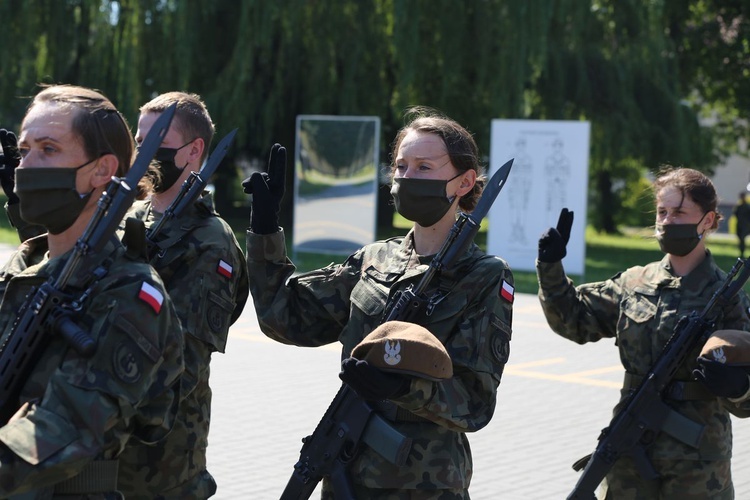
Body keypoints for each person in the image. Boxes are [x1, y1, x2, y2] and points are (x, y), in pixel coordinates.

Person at [244, 107, 514, 499]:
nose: (407, 177)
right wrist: (265, 230)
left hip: (423, 485)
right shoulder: (375, 259)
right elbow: (285, 318)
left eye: (424, 167)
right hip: (345, 474)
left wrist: (402, 385)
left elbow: (474, 403)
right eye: (401, 166)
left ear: (464, 182)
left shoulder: (485, 276)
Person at [0, 84, 183, 497]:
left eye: (48, 149)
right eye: (24, 150)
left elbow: (64, 431)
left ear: (102, 170)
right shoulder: (23, 267)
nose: (26, 166)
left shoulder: (131, 294)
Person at [536, 166, 750, 499]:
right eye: (662, 212)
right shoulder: (634, 283)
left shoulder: (727, 294)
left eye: (679, 212)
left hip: (698, 459)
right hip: (631, 444)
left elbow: (746, 395)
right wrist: (551, 268)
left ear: (707, 220)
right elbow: (574, 321)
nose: (666, 221)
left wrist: (739, 387)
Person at [115, 91, 249, 499]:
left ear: (194, 151)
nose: (144, 151)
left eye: (157, 142)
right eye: (139, 141)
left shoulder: (210, 242)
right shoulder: (132, 216)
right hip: (105, 454)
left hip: (161, 465)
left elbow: (183, 368)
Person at [733, 192, 750, 258]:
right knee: (740, 239)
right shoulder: (739, 206)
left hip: (745, 225)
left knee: (742, 238)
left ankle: (742, 253)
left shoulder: (747, 206)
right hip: (739, 225)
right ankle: (741, 252)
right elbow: (735, 214)